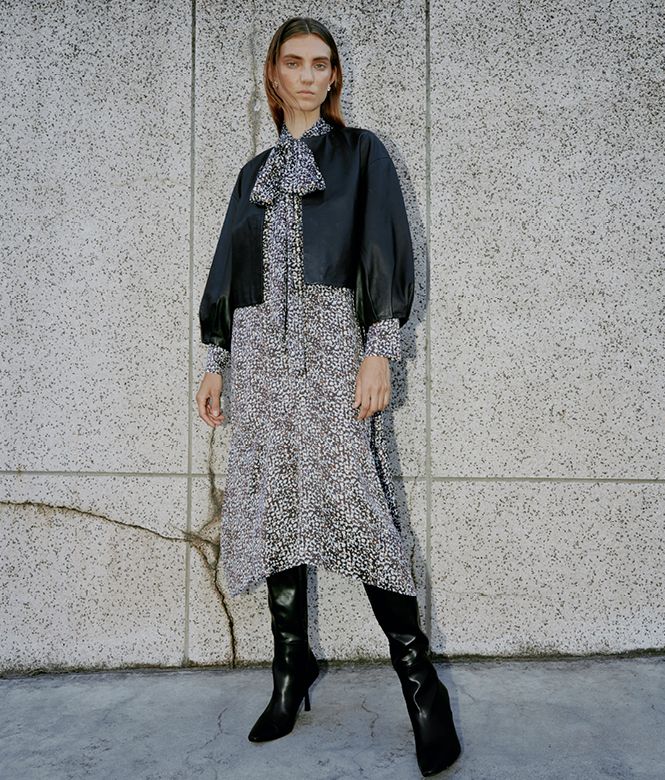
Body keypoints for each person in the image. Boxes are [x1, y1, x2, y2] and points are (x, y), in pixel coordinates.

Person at [196, 16, 461, 777]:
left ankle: (421, 686)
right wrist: (216, 360)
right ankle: (291, 668)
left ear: (334, 76)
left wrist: (379, 350)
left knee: (364, 513)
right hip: (260, 358)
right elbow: (228, 268)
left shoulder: (362, 154)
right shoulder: (252, 174)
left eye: (322, 64)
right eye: (295, 63)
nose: (309, 76)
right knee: (274, 508)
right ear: (274, 75)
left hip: (334, 351)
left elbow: (385, 248)